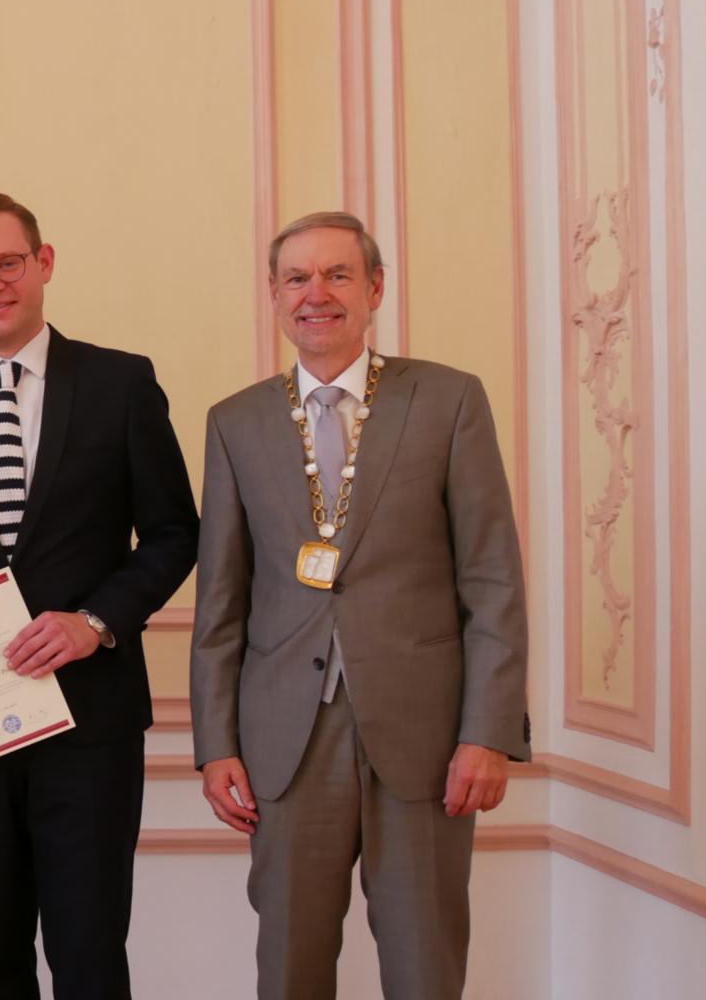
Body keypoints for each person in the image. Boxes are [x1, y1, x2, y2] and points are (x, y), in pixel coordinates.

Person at [189, 211, 530, 999]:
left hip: (427, 741)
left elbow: (493, 579)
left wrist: (488, 733)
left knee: (424, 968)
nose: (317, 294)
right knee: (290, 970)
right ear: (274, 295)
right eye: (297, 278)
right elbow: (221, 601)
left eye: (338, 275)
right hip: (284, 741)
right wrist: (215, 746)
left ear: (374, 288)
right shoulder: (235, 422)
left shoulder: (448, 400)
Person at [0, 192, 199, 998]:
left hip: (89, 725)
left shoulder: (122, 383)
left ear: (43, 263)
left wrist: (96, 622)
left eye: (7, 263)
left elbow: (174, 534)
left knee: (88, 957)